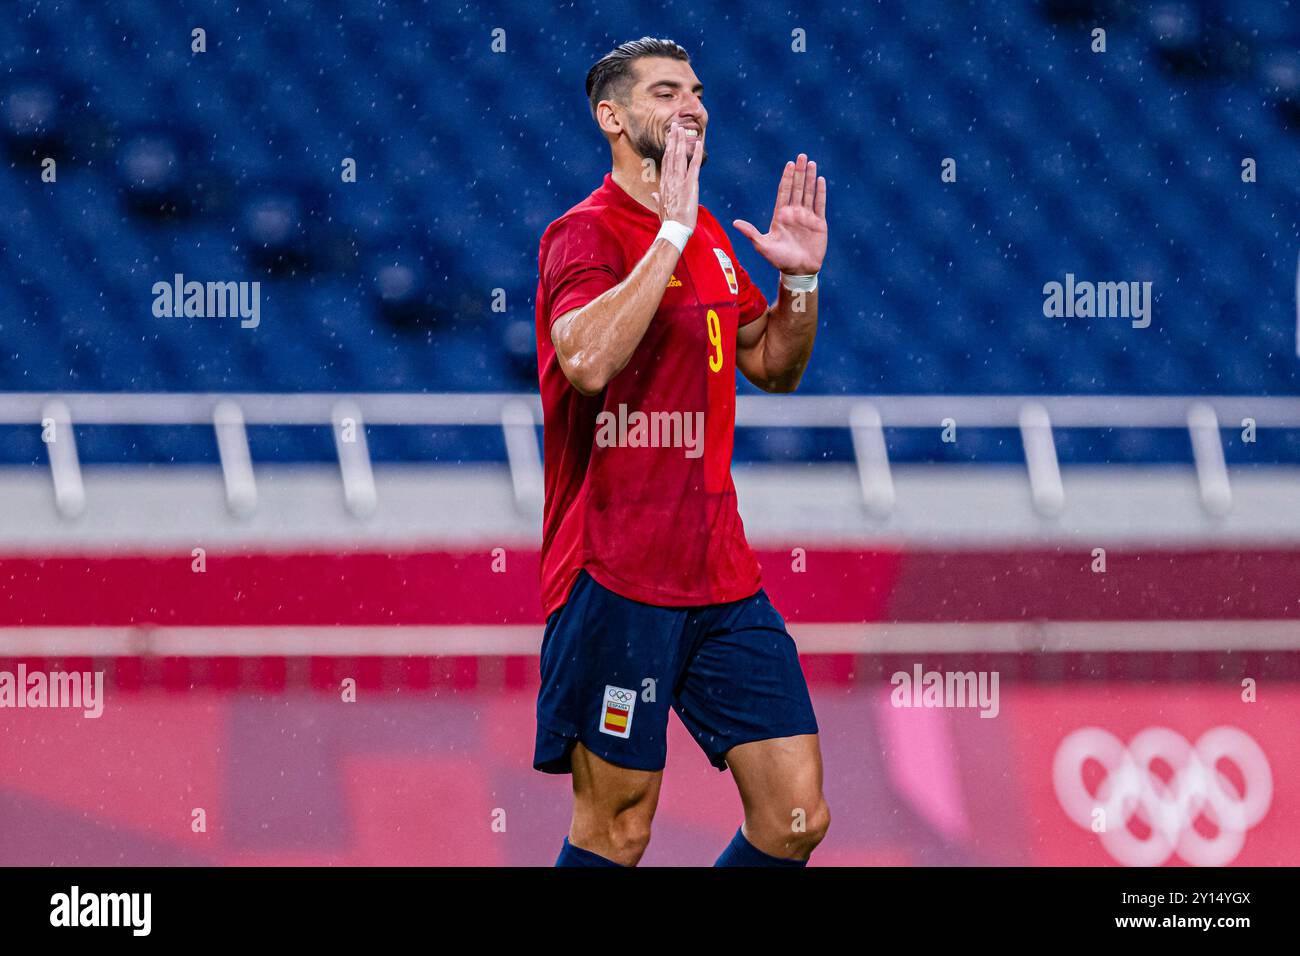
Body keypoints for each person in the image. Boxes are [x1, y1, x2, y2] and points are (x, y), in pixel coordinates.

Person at [532, 36, 829, 867]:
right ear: (613, 118)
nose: (692, 104)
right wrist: (665, 234)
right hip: (615, 571)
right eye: (667, 92)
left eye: (696, 90)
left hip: (720, 572)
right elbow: (586, 362)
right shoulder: (583, 236)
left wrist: (798, 285)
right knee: (619, 827)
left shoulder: (703, 235)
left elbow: (772, 363)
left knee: (795, 815)